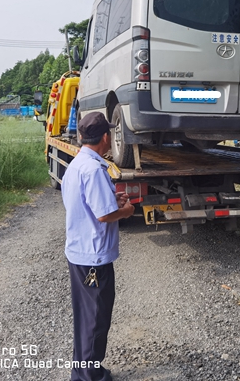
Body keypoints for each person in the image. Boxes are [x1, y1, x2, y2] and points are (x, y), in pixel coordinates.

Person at [61, 111, 135, 381]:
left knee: (85, 316)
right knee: (96, 318)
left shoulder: (78, 164)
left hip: (79, 252)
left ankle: (82, 370)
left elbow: (85, 204)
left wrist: (112, 197)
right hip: (93, 258)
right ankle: (88, 376)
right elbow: (103, 216)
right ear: (105, 137)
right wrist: (125, 211)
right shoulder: (93, 169)